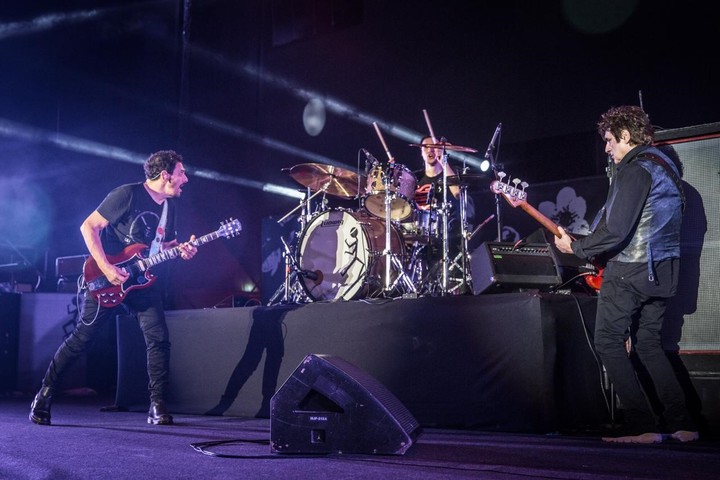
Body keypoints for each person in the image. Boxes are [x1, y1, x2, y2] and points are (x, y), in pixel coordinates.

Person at [554, 106, 698, 444]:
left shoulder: (635, 170)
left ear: (625, 137)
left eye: (609, 141)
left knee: (607, 342)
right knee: (649, 345)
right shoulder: (668, 171)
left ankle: (640, 424)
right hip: (664, 272)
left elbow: (617, 231)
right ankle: (683, 424)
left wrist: (576, 249)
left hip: (631, 270)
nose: (606, 148)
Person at [29, 150, 198, 426]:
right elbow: (88, 227)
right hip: (107, 278)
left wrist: (181, 250)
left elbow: (161, 246)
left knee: (159, 340)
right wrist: (107, 267)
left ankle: (157, 405)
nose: (186, 179)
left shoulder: (170, 207)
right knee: (82, 338)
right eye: (181, 173)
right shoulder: (127, 194)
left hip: (143, 283)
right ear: (166, 175)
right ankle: (45, 394)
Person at [408, 135, 474, 294]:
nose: (430, 150)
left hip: (447, 234)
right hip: (420, 235)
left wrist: (444, 161)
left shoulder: (449, 174)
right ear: (421, 152)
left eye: (434, 147)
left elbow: (458, 193)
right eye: (426, 147)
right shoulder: (414, 179)